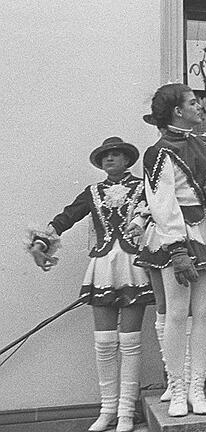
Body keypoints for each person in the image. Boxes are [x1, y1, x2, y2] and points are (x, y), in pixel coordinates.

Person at [28, 137, 153, 432]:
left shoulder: (143, 187)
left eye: (115, 154)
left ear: (127, 159)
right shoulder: (93, 192)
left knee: (130, 342)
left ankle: (126, 412)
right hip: (103, 266)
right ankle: (107, 409)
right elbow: (67, 216)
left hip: (133, 266)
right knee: (105, 342)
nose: (109, 159)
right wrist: (41, 241)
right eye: (105, 156)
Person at [134, 83, 206, 417]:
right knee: (175, 313)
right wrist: (177, 249)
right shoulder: (159, 151)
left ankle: (198, 388)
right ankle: (178, 388)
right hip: (177, 233)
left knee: (204, 314)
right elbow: (162, 202)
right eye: (192, 102)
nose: (199, 106)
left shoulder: (204, 145)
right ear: (177, 111)